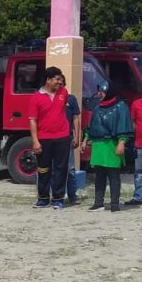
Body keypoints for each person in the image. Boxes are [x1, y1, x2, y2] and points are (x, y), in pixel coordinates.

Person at [82, 82, 133, 212]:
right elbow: (91, 125)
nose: (100, 94)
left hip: (112, 144)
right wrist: (85, 138)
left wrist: (122, 142)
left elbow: (124, 125)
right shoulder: (98, 107)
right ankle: (98, 202)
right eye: (99, 91)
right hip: (98, 145)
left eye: (103, 91)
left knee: (113, 175)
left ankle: (115, 204)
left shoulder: (120, 106)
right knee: (99, 175)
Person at [28, 66, 71, 210]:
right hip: (44, 138)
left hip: (62, 137)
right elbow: (32, 120)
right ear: (48, 80)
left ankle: (58, 198)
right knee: (43, 169)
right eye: (57, 79)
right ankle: (43, 198)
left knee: (61, 168)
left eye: (60, 79)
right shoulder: (36, 97)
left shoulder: (63, 92)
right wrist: (35, 141)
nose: (60, 82)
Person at [57, 74, 82, 205]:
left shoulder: (71, 99)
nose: (58, 85)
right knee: (54, 169)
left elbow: (76, 119)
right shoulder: (51, 98)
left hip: (67, 137)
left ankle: (72, 195)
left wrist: (77, 136)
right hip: (53, 138)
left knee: (70, 168)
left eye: (61, 83)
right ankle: (55, 195)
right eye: (57, 83)